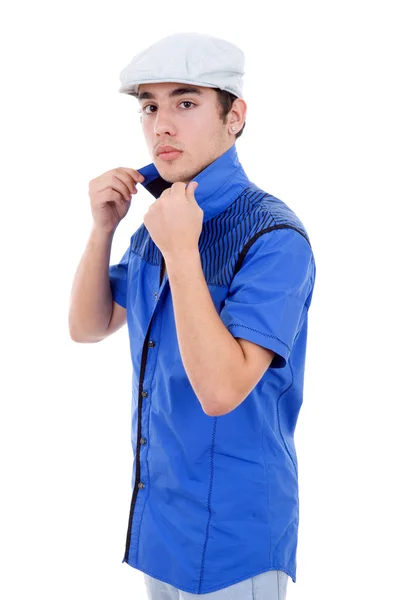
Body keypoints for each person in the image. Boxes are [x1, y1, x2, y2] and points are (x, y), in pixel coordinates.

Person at [68, 32, 316, 600]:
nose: (162, 126)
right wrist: (104, 228)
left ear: (235, 116)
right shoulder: (163, 217)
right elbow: (88, 326)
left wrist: (182, 252)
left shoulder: (274, 235)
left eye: (185, 102)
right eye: (149, 107)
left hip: (235, 537)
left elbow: (222, 390)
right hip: (163, 522)